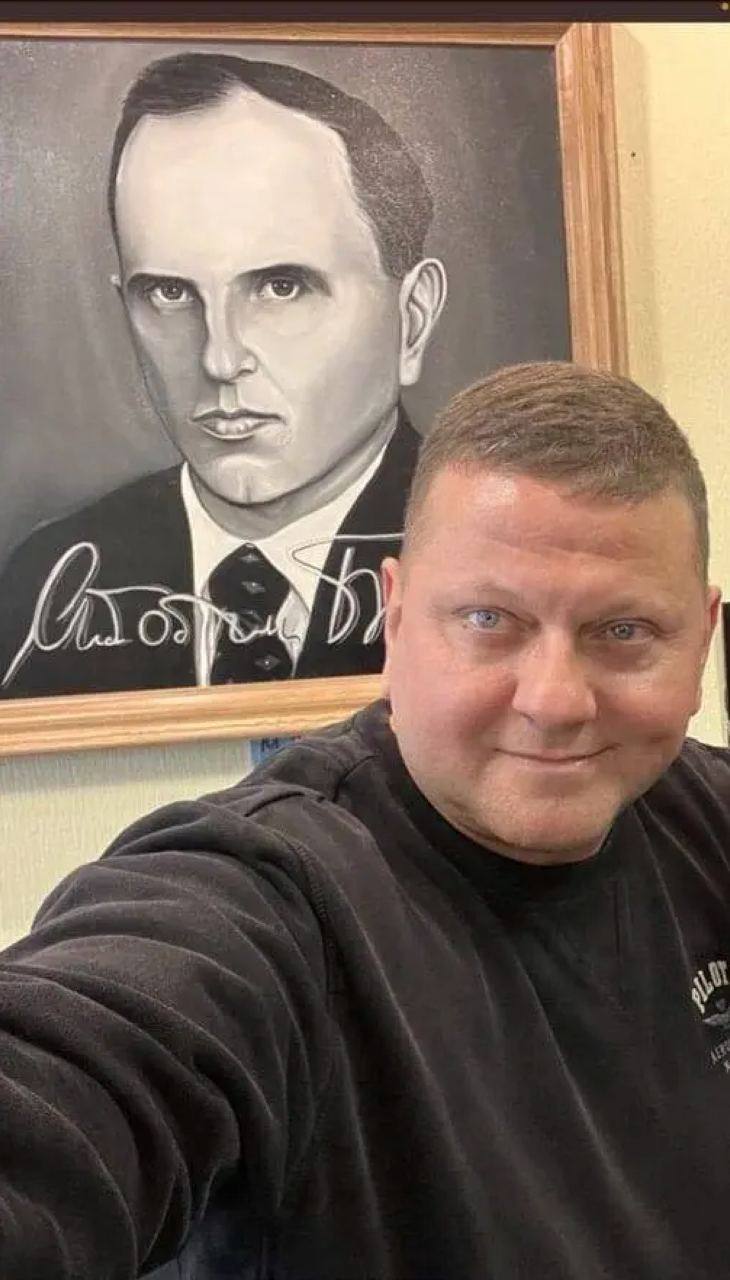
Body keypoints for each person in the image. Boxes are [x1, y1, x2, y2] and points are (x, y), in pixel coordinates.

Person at [1, 360, 728, 1280]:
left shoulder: (709, 821)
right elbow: (83, 1059)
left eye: (624, 632)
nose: (554, 702)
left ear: (702, 638)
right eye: (488, 619)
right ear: (395, 616)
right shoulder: (268, 895)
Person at [0, 52, 446, 698]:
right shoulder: (48, 584)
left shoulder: (498, 563)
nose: (219, 358)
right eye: (170, 294)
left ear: (414, 316)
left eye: (281, 287)